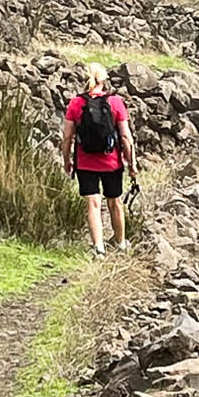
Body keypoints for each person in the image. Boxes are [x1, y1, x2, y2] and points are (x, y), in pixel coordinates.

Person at [60, 64, 137, 257]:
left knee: (93, 203)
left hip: (85, 162)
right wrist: (132, 163)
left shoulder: (76, 103)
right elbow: (126, 137)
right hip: (111, 162)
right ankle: (120, 244)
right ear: (103, 80)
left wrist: (66, 160)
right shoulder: (116, 102)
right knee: (115, 202)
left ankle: (99, 249)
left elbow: (67, 137)